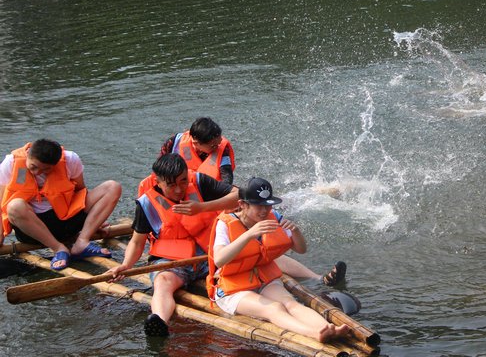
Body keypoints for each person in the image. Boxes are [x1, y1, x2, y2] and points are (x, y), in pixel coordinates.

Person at [140, 117, 346, 288]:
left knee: (259, 248)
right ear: (194, 141)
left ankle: (318, 277)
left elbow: (226, 180)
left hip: (207, 208)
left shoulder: (209, 169)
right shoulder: (169, 154)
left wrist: (209, 200)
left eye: (217, 142)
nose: (216, 146)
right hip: (180, 239)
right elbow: (162, 172)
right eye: (211, 145)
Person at [107, 153, 240, 337]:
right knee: (162, 283)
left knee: (243, 267)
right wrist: (125, 265)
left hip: (210, 256)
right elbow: (137, 242)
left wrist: (203, 207)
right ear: (158, 181)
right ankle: (159, 321)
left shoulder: (199, 181)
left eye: (183, 181)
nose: (179, 189)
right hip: (173, 262)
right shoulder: (147, 204)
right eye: (171, 185)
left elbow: (240, 195)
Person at [207, 177, 351, 343]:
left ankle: (327, 328)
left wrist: (296, 232)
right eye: (259, 205)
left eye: (268, 205)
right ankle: (314, 333)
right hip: (233, 289)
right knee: (275, 308)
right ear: (243, 204)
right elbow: (219, 259)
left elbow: (301, 250)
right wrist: (249, 234)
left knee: (291, 304)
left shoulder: (273, 216)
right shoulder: (225, 224)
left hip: (263, 278)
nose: (264, 210)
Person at [0, 139, 122, 271]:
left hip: (67, 222)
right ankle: (58, 248)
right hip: (32, 229)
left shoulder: (70, 160)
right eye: (33, 167)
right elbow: (1, 203)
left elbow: (81, 192)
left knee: (112, 187)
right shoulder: (11, 163)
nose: (37, 173)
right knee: (14, 206)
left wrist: (95, 222)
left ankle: (82, 242)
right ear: (27, 155)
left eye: (46, 169)